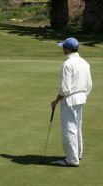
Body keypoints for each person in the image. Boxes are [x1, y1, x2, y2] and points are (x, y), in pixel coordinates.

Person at [51, 37, 92, 167]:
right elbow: (89, 84)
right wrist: (83, 96)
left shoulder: (67, 64)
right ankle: (77, 154)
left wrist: (56, 101)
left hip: (69, 100)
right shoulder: (84, 62)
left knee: (70, 129)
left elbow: (65, 89)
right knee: (77, 127)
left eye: (64, 47)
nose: (62, 49)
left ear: (68, 49)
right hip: (81, 98)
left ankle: (72, 160)